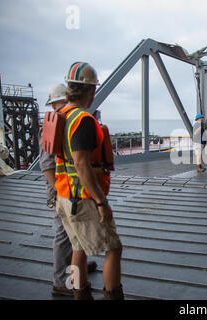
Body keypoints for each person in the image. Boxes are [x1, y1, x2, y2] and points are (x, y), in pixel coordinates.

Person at [54, 62, 123, 300]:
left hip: (63, 195)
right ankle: (113, 295)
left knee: (78, 247)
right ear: (92, 90)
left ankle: (79, 294)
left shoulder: (61, 115)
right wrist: (101, 202)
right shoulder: (82, 120)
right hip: (82, 199)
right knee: (113, 247)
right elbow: (82, 165)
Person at [39, 84, 97, 297]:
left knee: (74, 232)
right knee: (64, 233)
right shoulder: (53, 124)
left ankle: (76, 267)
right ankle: (60, 280)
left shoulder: (65, 122)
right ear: (57, 104)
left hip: (69, 189)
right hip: (62, 191)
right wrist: (59, 191)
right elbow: (46, 165)